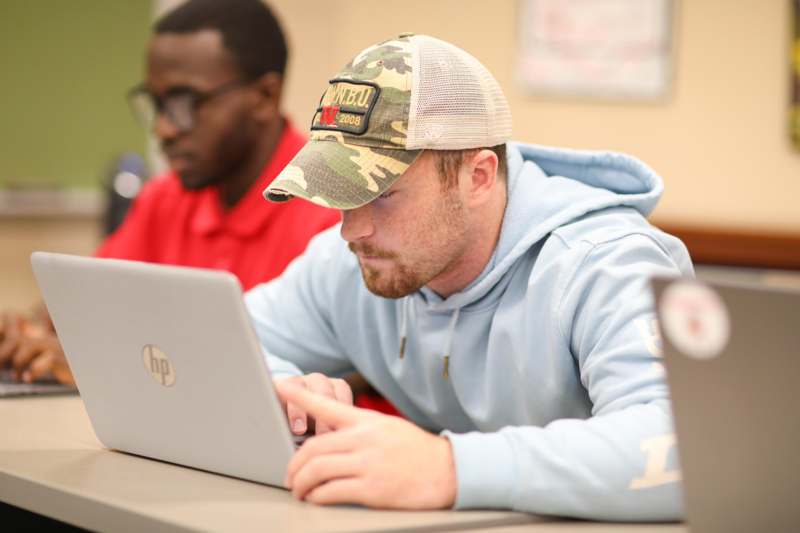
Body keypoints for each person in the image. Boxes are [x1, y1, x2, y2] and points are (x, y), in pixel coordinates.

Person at [245, 34, 692, 520]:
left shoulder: (605, 264)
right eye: (340, 191)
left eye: (382, 193)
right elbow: (225, 343)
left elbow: (682, 446)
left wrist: (448, 467)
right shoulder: (350, 260)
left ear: (478, 176)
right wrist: (286, 392)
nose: (352, 229)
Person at [0, 0, 339, 385]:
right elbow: (80, 308)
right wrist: (27, 332)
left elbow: (311, 378)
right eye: (157, 104)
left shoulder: (336, 214)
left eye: (185, 102)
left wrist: (102, 363)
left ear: (264, 97)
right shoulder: (165, 198)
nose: (163, 128)